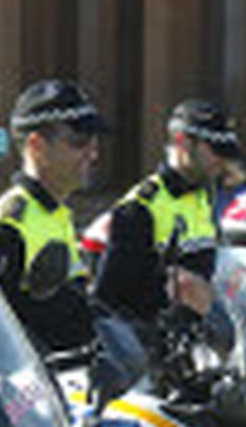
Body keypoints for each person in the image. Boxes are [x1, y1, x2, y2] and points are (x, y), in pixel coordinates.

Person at [0, 79, 109, 352]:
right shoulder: (8, 226)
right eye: (79, 142)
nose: (92, 154)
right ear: (36, 145)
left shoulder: (55, 213)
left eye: (94, 142)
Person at [93, 99, 235, 328]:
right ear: (182, 142)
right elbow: (108, 303)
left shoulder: (205, 194)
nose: (222, 160)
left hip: (206, 343)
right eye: (214, 150)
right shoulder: (139, 209)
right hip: (157, 349)